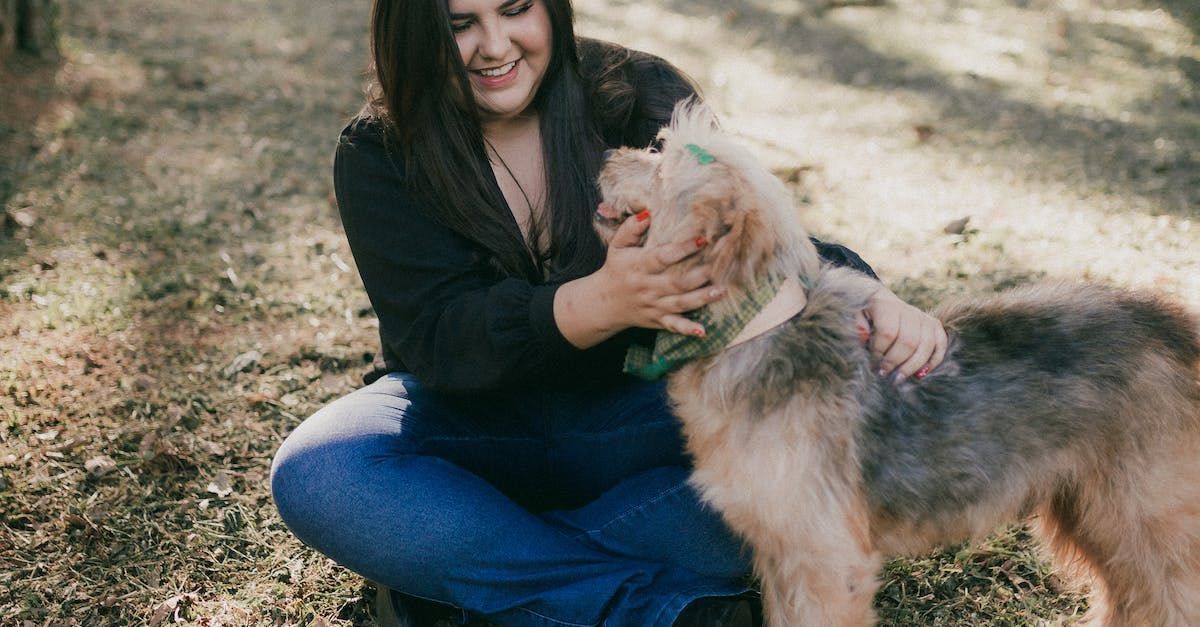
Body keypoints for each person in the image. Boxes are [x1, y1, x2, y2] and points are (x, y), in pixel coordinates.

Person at [269, 0, 948, 625]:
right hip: (476, 433)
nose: (494, 45)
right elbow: (440, 339)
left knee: (788, 476)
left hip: (646, 417)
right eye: (459, 23)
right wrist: (599, 302)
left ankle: (463, 575)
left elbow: (749, 234)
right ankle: (644, 607)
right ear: (414, 27)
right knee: (320, 472)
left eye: (514, 9)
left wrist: (869, 291)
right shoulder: (379, 153)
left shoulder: (636, 92)